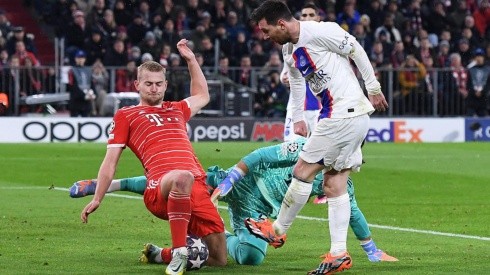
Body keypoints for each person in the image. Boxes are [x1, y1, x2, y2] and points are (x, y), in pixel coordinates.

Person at [70, 137, 398, 266]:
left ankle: (208, 241)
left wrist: (371, 249)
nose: (351, 167)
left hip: (256, 214)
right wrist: (230, 179)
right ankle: (108, 185)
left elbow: (353, 213)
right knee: (189, 180)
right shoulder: (306, 149)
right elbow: (258, 155)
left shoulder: (340, 185)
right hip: (242, 183)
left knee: (252, 258)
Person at [243, 1, 388, 274]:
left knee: (302, 170)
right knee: (334, 183)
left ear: (282, 24)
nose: (264, 36)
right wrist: (298, 116)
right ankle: (338, 254)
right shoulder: (288, 48)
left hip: (342, 114)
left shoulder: (322, 31)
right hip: (347, 116)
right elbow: (297, 81)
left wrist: (373, 86)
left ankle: (277, 230)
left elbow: (355, 49)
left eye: (266, 30)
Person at [79, 39, 227, 275]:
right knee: (182, 176)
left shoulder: (176, 109)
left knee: (219, 259)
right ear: (137, 84)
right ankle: (179, 253)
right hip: (161, 187)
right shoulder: (126, 115)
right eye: (148, 83)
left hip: (196, 186)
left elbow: (202, 94)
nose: (154, 88)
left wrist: (190, 60)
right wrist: (98, 197)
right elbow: (110, 161)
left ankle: (160, 254)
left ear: (165, 85)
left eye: (159, 84)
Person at [67, 50, 97, 117]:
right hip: (76, 100)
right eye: (78, 58)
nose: (80, 60)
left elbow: (91, 83)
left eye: (82, 58)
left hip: (86, 101)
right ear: (75, 59)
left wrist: (93, 93)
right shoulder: (71, 70)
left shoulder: (88, 70)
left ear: (84, 59)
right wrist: (83, 95)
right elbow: (72, 86)